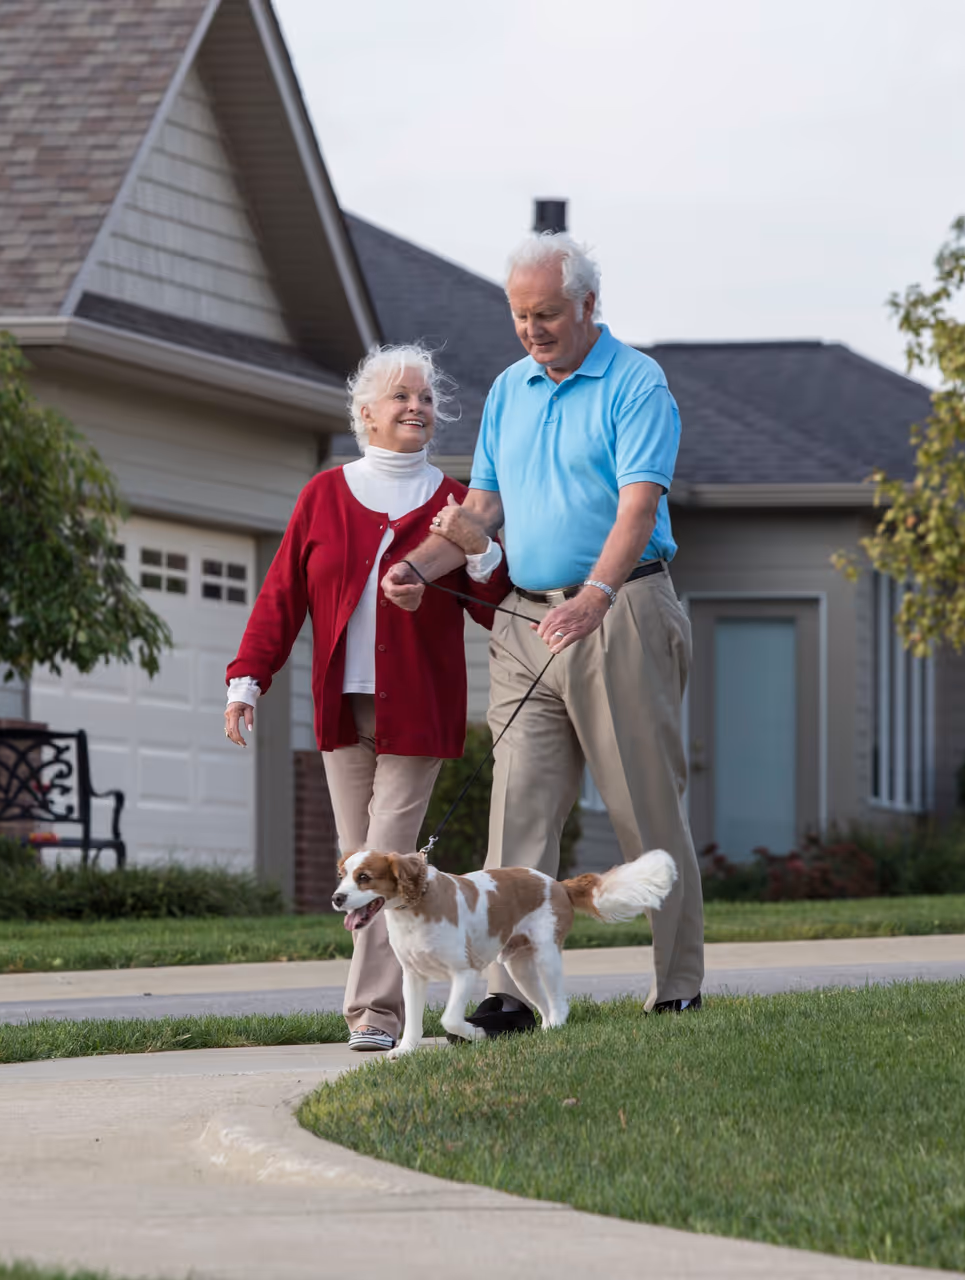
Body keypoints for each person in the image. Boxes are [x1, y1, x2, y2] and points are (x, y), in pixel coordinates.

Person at [381, 232, 705, 1034]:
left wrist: (595, 593)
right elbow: (483, 509)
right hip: (525, 617)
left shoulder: (637, 384)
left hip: (619, 608)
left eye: (548, 313)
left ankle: (677, 985)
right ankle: (507, 996)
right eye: (521, 315)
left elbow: (638, 506)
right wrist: (422, 565)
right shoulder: (510, 390)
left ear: (589, 305)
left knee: (645, 810)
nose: (532, 328)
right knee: (517, 813)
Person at [225, 344, 507, 1053]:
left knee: (385, 857)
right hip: (343, 710)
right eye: (401, 397)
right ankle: (399, 997)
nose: (417, 407)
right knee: (363, 864)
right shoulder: (323, 495)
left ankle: (374, 1014)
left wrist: (478, 549)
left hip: (420, 711)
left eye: (425, 398)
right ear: (366, 414)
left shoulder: (452, 500)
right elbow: (282, 597)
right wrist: (246, 680)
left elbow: (492, 603)